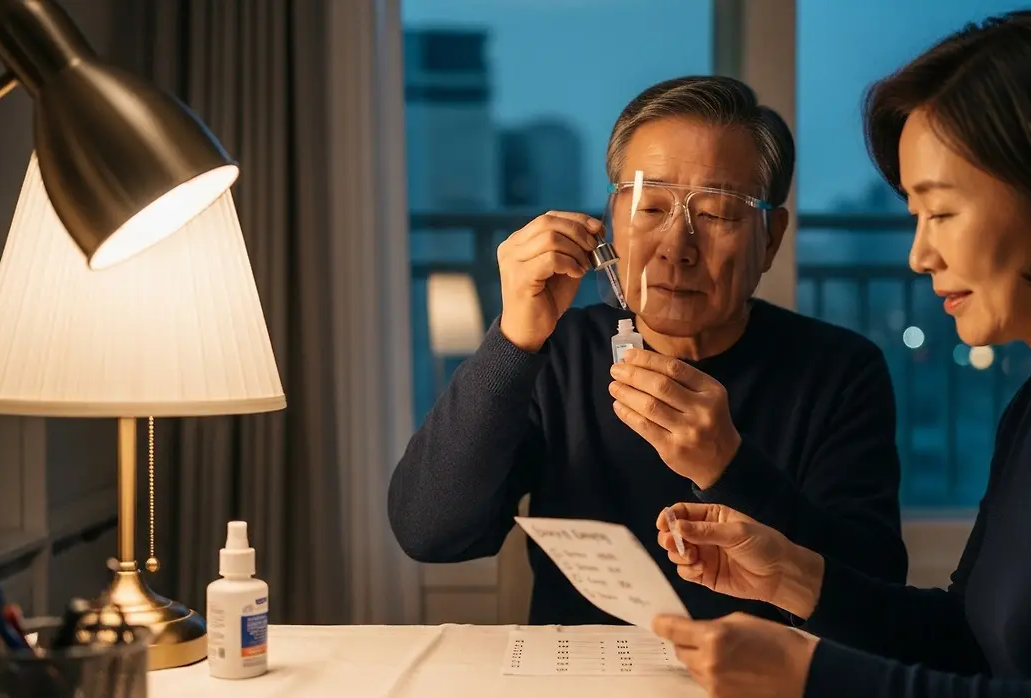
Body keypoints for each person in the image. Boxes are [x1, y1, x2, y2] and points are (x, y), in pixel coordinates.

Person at [647, 10, 1031, 698]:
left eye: (940, 213)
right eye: (914, 217)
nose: (920, 255)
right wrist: (790, 575)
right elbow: (967, 639)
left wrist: (807, 674)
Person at [388, 76, 909, 625]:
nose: (677, 247)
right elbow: (430, 532)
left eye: (716, 213)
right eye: (650, 207)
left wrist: (728, 466)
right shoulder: (558, 352)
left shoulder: (840, 372)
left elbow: (870, 591)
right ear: (612, 218)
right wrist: (513, 340)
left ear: (771, 237)